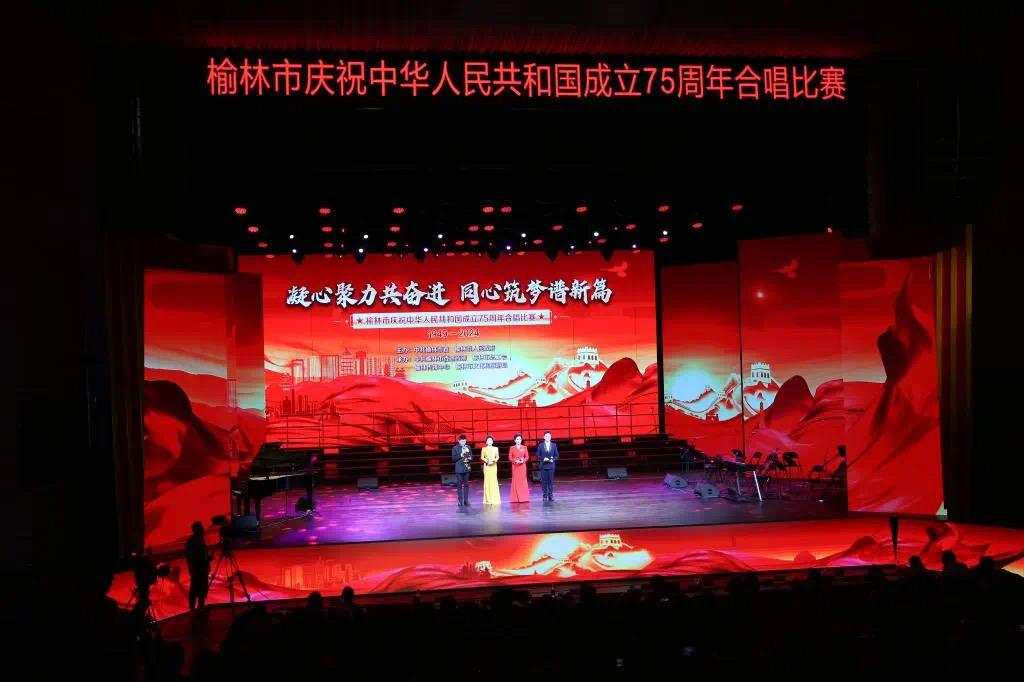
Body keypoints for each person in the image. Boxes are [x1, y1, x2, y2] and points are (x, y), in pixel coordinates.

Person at [185, 521, 211, 611]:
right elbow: (193, 557)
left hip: (201, 569)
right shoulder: (194, 542)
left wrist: (206, 560)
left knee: (201, 587)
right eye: (201, 528)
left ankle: (200, 605)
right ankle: (193, 607)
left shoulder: (196, 540)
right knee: (196, 588)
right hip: (198, 569)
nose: (203, 530)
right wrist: (205, 561)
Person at [537, 430, 560, 501]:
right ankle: (544, 495)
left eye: (549, 436)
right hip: (543, 466)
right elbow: (537, 455)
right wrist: (543, 458)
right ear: (544, 437)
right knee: (544, 481)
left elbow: (557, 455)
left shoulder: (554, 445)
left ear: (551, 437)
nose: (548, 437)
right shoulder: (540, 445)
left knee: (550, 481)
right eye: (546, 436)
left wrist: (553, 459)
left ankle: (550, 495)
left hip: (551, 466)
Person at [508, 433, 530, 503]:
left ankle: (524, 498)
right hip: (515, 466)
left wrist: (522, 460)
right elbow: (510, 457)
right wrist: (515, 461)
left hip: (522, 466)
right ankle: (515, 499)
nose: (519, 440)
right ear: (515, 440)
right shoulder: (512, 448)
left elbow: (527, 457)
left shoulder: (524, 447)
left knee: (523, 481)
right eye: (517, 439)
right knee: (515, 481)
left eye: (520, 439)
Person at [451, 434, 472, 507]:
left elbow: (472, 457)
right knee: (459, 486)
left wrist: (469, 457)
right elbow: (453, 459)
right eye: (462, 441)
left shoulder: (468, 447)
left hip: (466, 468)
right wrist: (461, 455)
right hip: (459, 469)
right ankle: (460, 501)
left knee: (466, 485)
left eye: (464, 441)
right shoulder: (455, 448)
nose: (463, 442)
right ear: (459, 441)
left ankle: (466, 500)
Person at [481, 435, 500, 505]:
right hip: (487, 466)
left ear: (492, 441)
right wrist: (486, 460)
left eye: (491, 440)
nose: (490, 441)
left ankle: (494, 498)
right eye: (488, 440)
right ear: (486, 442)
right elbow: (482, 457)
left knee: (494, 481)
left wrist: (495, 460)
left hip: (494, 466)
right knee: (487, 481)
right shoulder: (483, 449)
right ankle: (488, 499)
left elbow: (497, 456)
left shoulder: (496, 448)